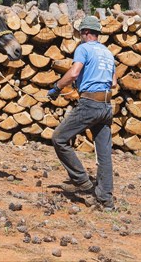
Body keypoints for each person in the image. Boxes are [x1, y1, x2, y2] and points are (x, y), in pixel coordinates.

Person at [47, 15, 116, 210]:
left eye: (80, 33)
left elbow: (75, 72)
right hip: (106, 106)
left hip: (90, 104)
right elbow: (114, 82)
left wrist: (57, 88)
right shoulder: (108, 53)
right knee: (104, 155)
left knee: (59, 138)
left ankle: (82, 181)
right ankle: (106, 201)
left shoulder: (83, 49)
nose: (79, 36)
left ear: (85, 33)